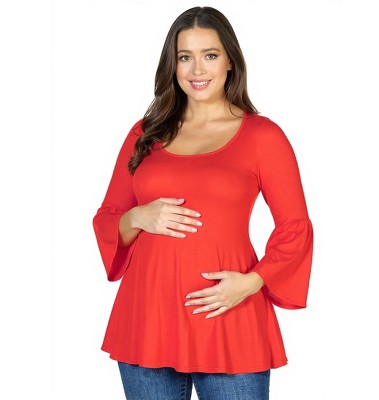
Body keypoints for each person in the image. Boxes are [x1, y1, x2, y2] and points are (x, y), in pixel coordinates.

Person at [93, 6, 313, 400]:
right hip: (147, 317)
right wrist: (138, 216)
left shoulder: (263, 136)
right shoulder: (145, 133)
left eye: (210, 55)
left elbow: (295, 228)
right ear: (173, 64)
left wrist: (252, 282)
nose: (197, 69)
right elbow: (109, 217)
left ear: (230, 60)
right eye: (185, 57)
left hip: (228, 314)